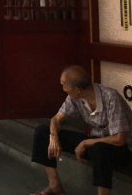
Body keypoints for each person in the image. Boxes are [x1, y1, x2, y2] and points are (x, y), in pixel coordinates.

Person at [30, 65, 132, 195]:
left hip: (124, 150)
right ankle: (55, 186)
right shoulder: (75, 98)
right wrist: (53, 137)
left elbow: (119, 139)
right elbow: (55, 119)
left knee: (99, 148)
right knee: (42, 132)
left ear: (77, 89)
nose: (63, 89)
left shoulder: (110, 97)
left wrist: (85, 143)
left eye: (64, 85)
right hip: (96, 142)